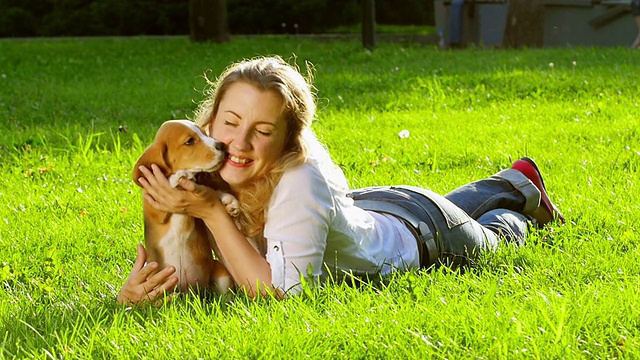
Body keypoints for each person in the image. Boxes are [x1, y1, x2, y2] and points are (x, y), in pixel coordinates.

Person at [117, 56, 565, 305]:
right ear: (211, 118)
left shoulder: (299, 182)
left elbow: (281, 295)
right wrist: (139, 291)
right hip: (369, 208)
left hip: (422, 234)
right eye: (230, 121)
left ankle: (516, 197)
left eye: (264, 131)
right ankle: (511, 182)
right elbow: (181, 253)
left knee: (497, 236)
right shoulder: (208, 164)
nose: (239, 143)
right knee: (406, 209)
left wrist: (212, 212)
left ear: (289, 141)